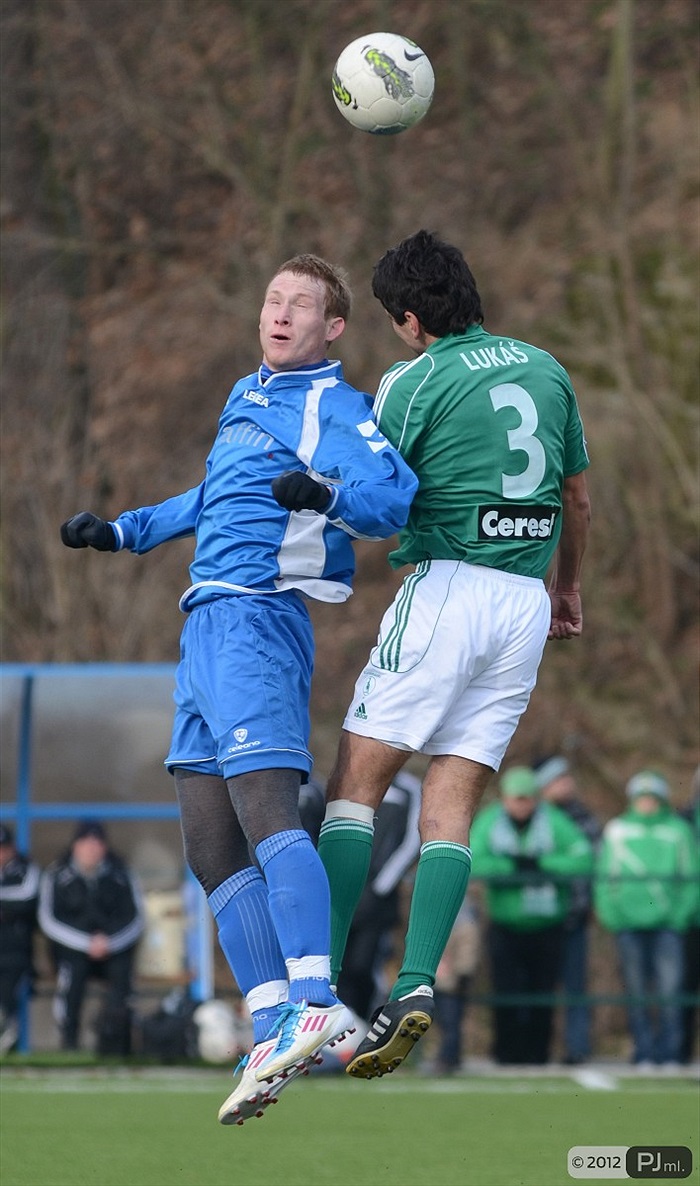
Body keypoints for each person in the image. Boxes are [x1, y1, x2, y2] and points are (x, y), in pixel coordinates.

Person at [60, 254, 417, 1123]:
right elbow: (213, 493)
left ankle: (315, 998)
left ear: (333, 328)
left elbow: (393, 496)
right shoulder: (244, 395)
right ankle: (269, 1024)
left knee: (266, 816)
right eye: (273, 298)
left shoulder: (334, 404)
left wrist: (325, 491)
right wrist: (124, 531)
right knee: (210, 846)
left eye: (302, 303)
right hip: (202, 628)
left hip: (260, 622)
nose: (281, 311)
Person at [315, 228, 591, 1079]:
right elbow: (576, 497)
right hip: (520, 604)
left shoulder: (414, 379)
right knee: (451, 804)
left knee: (354, 788)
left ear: (408, 319)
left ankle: (312, 991)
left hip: (446, 589)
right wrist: (565, 588)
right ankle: (415, 983)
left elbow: (377, 496)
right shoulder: (546, 368)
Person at [469, 766, 594, 1065]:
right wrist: (512, 867)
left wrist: (543, 864)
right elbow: (473, 860)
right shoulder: (489, 822)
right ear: (505, 798)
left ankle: (539, 1054)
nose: (522, 805)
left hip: (547, 925)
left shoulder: (555, 821)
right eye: (516, 798)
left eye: (527, 798)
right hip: (505, 925)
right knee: (506, 991)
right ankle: (506, 1053)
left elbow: (583, 857)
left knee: (543, 993)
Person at [594, 770, 699, 1069]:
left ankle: (670, 1053)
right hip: (628, 924)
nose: (647, 804)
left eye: (653, 799)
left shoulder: (678, 830)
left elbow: (691, 877)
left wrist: (680, 916)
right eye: (642, 798)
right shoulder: (617, 830)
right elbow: (605, 878)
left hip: (669, 926)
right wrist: (612, 915)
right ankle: (643, 1052)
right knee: (637, 993)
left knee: (671, 991)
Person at [38, 819, 145, 1052]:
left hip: (113, 951)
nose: (91, 849)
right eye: (86, 843)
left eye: (97, 844)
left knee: (122, 980)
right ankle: (69, 1045)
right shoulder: (56, 875)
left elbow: (135, 919)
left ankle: (117, 1045)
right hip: (72, 953)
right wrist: (86, 944)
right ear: (75, 846)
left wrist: (109, 943)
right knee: (71, 977)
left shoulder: (121, 874)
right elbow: (48, 920)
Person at [534, 754, 602, 1063]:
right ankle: (537, 1049)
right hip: (537, 919)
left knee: (576, 987)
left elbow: (592, 863)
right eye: (559, 779)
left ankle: (577, 1048)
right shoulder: (534, 818)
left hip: (574, 916)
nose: (568, 783)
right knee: (538, 987)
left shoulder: (583, 817)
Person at [0, 824, 40, 1054]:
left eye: (3, 848)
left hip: (14, 950)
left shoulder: (26, 869)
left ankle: (7, 1030)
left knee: (9, 977)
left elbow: (27, 897)